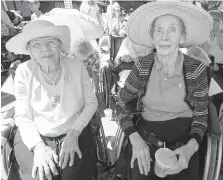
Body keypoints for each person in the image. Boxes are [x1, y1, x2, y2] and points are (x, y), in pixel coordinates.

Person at [116, 2, 212, 180]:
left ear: (182, 37)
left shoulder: (196, 69)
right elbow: (121, 105)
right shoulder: (142, 65)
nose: (164, 37)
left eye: (172, 30)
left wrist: (190, 149)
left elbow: (201, 116)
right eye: (159, 30)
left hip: (184, 141)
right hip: (146, 137)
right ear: (152, 37)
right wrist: (135, 139)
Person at [6, 20, 98, 180]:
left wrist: (74, 133)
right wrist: (39, 147)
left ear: (60, 45)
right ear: (29, 50)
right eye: (36, 45)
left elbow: (91, 103)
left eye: (51, 42)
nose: (45, 49)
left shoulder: (77, 66)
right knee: (38, 174)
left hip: (75, 128)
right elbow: (22, 115)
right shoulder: (23, 71)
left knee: (75, 174)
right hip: (36, 132)